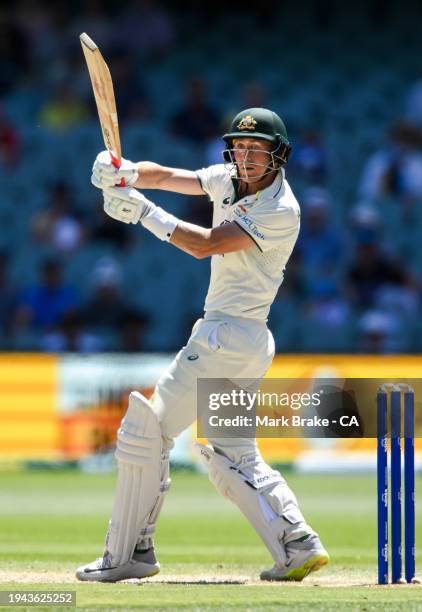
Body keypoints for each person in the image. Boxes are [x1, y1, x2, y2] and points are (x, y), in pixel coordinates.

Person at [76, 108, 329, 583]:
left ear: (279, 156)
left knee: (144, 434)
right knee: (233, 453)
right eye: (240, 147)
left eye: (258, 150)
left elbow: (207, 244)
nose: (247, 157)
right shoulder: (227, 177)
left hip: (224, 338)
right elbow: (173, 176)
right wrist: (128, 171)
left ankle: (128, 553)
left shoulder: (280, 209)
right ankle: (297, 544)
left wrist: (143, 212)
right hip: (245, 342)